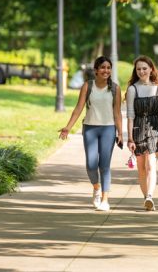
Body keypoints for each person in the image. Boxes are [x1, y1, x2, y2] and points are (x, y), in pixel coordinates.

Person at [59, 56, 123, 211]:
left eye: (108, 67)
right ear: (95, 70)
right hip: (90, 129)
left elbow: (117, 113)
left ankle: (105, 199)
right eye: (102, 67)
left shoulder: (115, 88)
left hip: (108, 128)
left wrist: (120, 132)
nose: (106, 70)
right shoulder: (87, 86)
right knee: (91, 164)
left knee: (105, 165)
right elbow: (78, 109)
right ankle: (96, 187)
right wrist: (68, 127)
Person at [126, 55, 158, 211]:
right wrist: (129, 138)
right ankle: (146, 198)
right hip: (137, 129)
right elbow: (130, 115)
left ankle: (150, 195)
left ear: (151, 69)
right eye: (138, 69)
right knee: (141, 167)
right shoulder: (132, 89)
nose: (142, 71)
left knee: (151, 163)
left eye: (144, 68)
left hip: (154, 129)